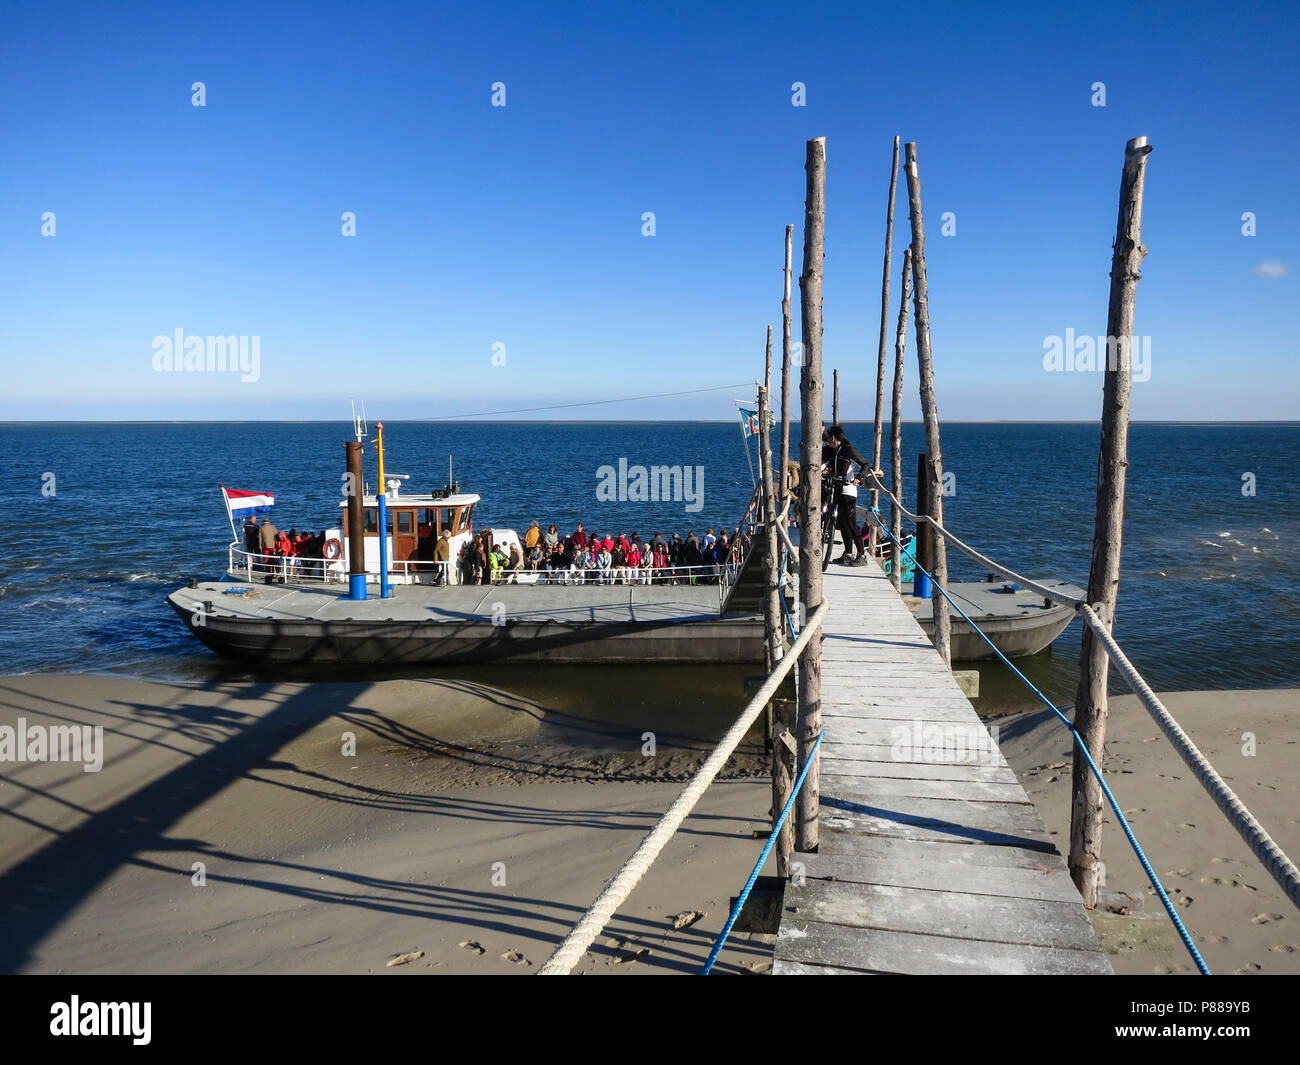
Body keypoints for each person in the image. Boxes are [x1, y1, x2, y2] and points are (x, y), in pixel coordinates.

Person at [822, 423, 868, 563]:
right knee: (842, 523)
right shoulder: (830, 451)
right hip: (835, 489)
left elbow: (865, 465)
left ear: (834, 438)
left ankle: (862, 555)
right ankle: (848, 554)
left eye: (829, 438)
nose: (827, 441)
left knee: (850, 522)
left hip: (848, 489)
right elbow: (820, 459)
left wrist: (859, 478)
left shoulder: (848, 450)